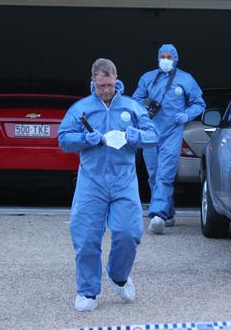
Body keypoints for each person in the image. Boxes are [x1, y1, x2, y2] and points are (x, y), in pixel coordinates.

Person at [58, 58, 158, 312]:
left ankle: (118, 275)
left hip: (123, 181)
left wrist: (135, 136)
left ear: (117, 80)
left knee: (129, 233)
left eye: (110, 85)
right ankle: (88, 291)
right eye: (101, 85)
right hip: (91, 182)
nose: (106, 90)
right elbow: (63, 139)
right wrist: (85, 139)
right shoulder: (81, 109)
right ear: (92, 81)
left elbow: (153, 135)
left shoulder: (131, 107)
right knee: (86, 238)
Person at [132, 44, 206, 234]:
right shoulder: (148, 78)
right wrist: (142, 110)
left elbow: (199, 103)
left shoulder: (186, 79)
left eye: (169, 57)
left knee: (165, 173)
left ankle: (157, 214)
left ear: (175, 58)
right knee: (154, 174)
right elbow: (135, 100)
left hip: (172, 132)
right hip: (150, 132)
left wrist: (186, 115)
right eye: (162, 56)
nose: (165, 59)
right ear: (158, 58)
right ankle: (169, 212)